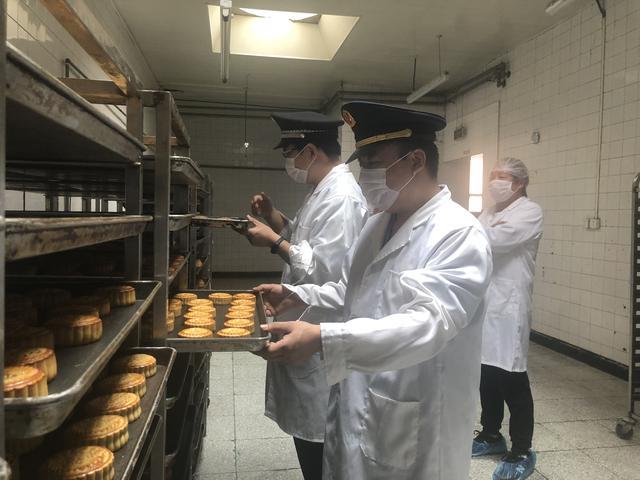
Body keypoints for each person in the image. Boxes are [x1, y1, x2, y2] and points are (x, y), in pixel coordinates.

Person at [254, 101, 494, 480]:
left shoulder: (458, 234)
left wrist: (325, 339)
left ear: (416, 161)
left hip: (413, 415)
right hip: (357, 397)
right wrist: (301, 296)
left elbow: (428, 324)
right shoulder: (377, 224)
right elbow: (352, 291)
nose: (364, 175)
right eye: (362, 164)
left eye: (373, 163)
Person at [235, 111, 368, 480]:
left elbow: (327, 274)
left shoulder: (342, 198)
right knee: (311, 438)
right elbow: (306, 241)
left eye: (290, 153)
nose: (288, 162)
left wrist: (274, 243)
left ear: (310, 152)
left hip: (320, 331)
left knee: (321, 443)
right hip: (303, 319)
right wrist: (273, 218)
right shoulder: (322, 190)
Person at [471, 158, 543, 480]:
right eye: (493, 175)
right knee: (487, 373)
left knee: (512, 376)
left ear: (519, 182)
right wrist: (477, 230)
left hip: (510, 306)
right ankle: (491, 434)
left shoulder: (530, 211)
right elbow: (477, 239)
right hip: (487, 305)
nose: (495, 181)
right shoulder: (489, 212)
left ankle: (522, 450)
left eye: (502, 176)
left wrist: (474, 231)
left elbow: (491, 241)